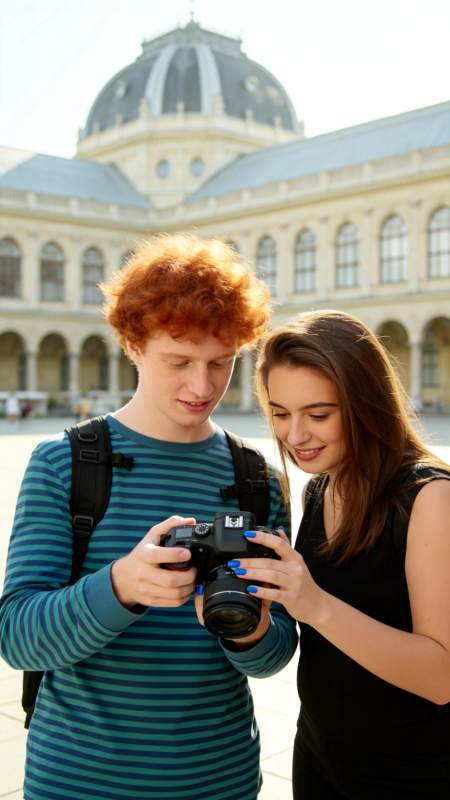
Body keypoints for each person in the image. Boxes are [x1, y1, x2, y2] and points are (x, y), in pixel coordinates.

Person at [0, 233, 297, 800]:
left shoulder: (257, 478)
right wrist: (120, 586)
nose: (202, 386)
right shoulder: (65, 463)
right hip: (78, 782)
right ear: (133, 344)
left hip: (220, 779)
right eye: (179, 361)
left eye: (222, 363)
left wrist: (251, 628)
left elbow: (275, 653)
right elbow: (16, 636)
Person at [228, 309, 450, 799]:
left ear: (366, 402)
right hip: (319, 758)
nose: (295, 435)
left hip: (412, 773)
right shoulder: (318, 489)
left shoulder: (430, 497)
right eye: (280, 414)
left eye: (319, 414)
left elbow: (442, 676)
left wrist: (315, 605)